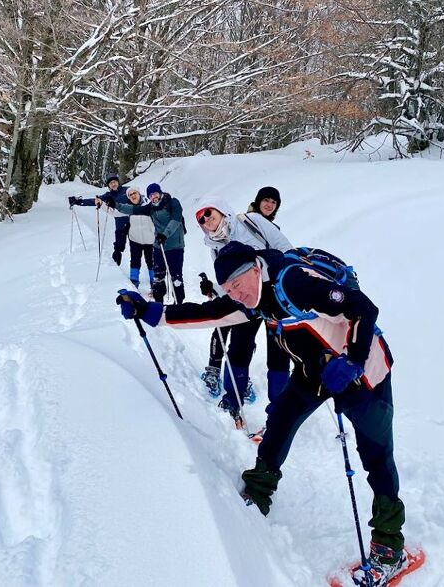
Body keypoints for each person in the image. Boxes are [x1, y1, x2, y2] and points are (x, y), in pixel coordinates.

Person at [116, 242, 407, 586]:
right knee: (279, 423)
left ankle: (390, 547)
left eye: (239, 284)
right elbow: (210, 313)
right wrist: (151, 312)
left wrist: (353, 360)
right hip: (314, 373)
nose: (236, 295)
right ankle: (257, 492)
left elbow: (362, 307)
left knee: (375, 454)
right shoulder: (253, 300)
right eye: (229, 289)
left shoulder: (294, 283)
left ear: (256, 268)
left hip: (363, 374)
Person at [193, 195, 293, 428]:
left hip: (275, 298)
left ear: (221, 210)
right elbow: (227, 280)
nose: (206, 221)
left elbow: (285, 249)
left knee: (279, 354)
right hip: (246, 303)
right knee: (239, 348)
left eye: (209, 214)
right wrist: (216, 290)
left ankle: (278, 410)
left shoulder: (252, 222)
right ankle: (232, 400)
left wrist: (284, 282)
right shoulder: (215, 246)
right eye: (201, 220)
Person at [111, 183, 185, 303]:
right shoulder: (150, 207)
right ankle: (159, 304)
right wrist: (116, 205)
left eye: (155, 194)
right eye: (151, 195)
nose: (153, 197)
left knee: (176, 277)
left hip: (174, 246)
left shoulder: (173, 202)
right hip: (158, 246)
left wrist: (165, 235)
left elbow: (175, 220)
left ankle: (179, 303)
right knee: (158, 278)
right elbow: (133, 209)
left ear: (160, 193)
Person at [68, 172, 130, 265]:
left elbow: (138, 199)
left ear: (118, 182)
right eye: (111, 183)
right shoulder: (108, 195)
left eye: (114, 182)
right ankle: (115, 267)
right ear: (108, 186)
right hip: (120, 223)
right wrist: (78, 201)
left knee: (137, 245)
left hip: (134, 220)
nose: (113, 184)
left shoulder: (127, 190)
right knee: (119, 246)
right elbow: (95, 201)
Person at [124, 186, 156, 291]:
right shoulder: (128, 208)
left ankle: (154, 284)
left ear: (139, 193)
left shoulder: (148, 205)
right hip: (135, 239)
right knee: (134, 261)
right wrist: (101, 204)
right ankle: (134, 283)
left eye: (134, 193)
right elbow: (114, 210)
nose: (133, 196)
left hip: (150, 240)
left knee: (151, 262)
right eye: (130, 194)